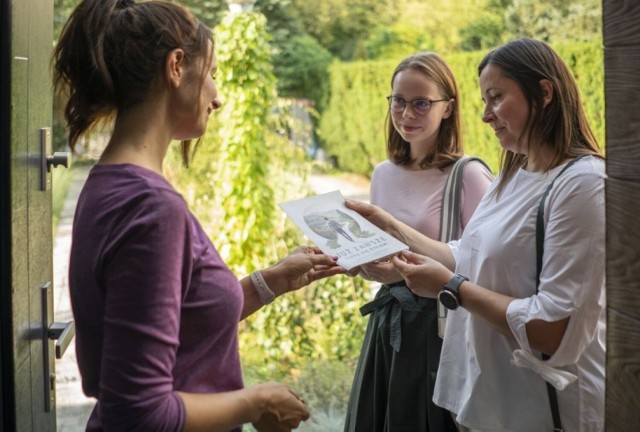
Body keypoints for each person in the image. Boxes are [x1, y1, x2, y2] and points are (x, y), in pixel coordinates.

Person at [52, 1, 344, 431]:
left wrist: (273, 280)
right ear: (175, 67)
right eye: (211, 75)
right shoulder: (151, 207)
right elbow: (140, 413)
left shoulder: (108, 182)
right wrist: (256, 402)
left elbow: (178, 324)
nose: (218, 97)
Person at [346, 38, 605, 432]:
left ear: (545, 93)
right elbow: (466, 253)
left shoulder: (584, 184)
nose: (485, 115)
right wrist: (391, 228)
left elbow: (551, 331)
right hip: (493, 406)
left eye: (496, 98)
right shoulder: (514, 174)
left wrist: (453, 288)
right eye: (485, 100)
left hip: (545, 412)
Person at [344, 52, 493, 432]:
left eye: (421, 103)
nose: (407, 113)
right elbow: (382, 261)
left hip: (440, 332)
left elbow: (484, 267)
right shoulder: (383, 174)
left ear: (447, 109)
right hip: (388, 325)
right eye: (398, 101)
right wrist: (363, 265)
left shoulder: (469, 175)